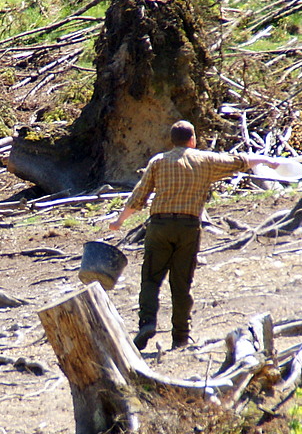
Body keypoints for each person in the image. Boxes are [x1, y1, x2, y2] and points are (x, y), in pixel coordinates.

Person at [109, 120, 284, 350]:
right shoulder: (205, 160)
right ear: (192, 140)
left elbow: (139, 196)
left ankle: (147, 323)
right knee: (181, 284)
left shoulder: (158, 162)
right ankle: (180, 337)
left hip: (160, 227)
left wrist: (120, 221)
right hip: (189, 227)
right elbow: (240, 162)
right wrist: (267, 160)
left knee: (151, 279)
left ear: (172, 141)